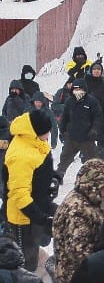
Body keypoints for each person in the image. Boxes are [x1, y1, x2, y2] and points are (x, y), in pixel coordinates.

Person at [2, 109, 57, 272]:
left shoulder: (34, 142)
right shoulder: (22, 155)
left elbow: (40, 168)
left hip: (39, 205)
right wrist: (42, 219)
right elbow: (20, 195)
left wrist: (53, 177)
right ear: (36, 131)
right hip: (23, 218)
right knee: (25, 263)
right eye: (46, 133)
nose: (48, 136)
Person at [57, 82, 101, 180]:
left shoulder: (92, 101)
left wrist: (94, 129)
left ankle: (96, 178)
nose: (77, 91)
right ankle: (59, 175)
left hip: (87, 137)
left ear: (85, 89)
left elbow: (97, 117)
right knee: (65, 158)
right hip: (71, 136)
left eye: (80, 89)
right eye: (75, 89)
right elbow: (64, 118)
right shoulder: (69, 101)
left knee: (92, 160)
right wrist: (62, 131)